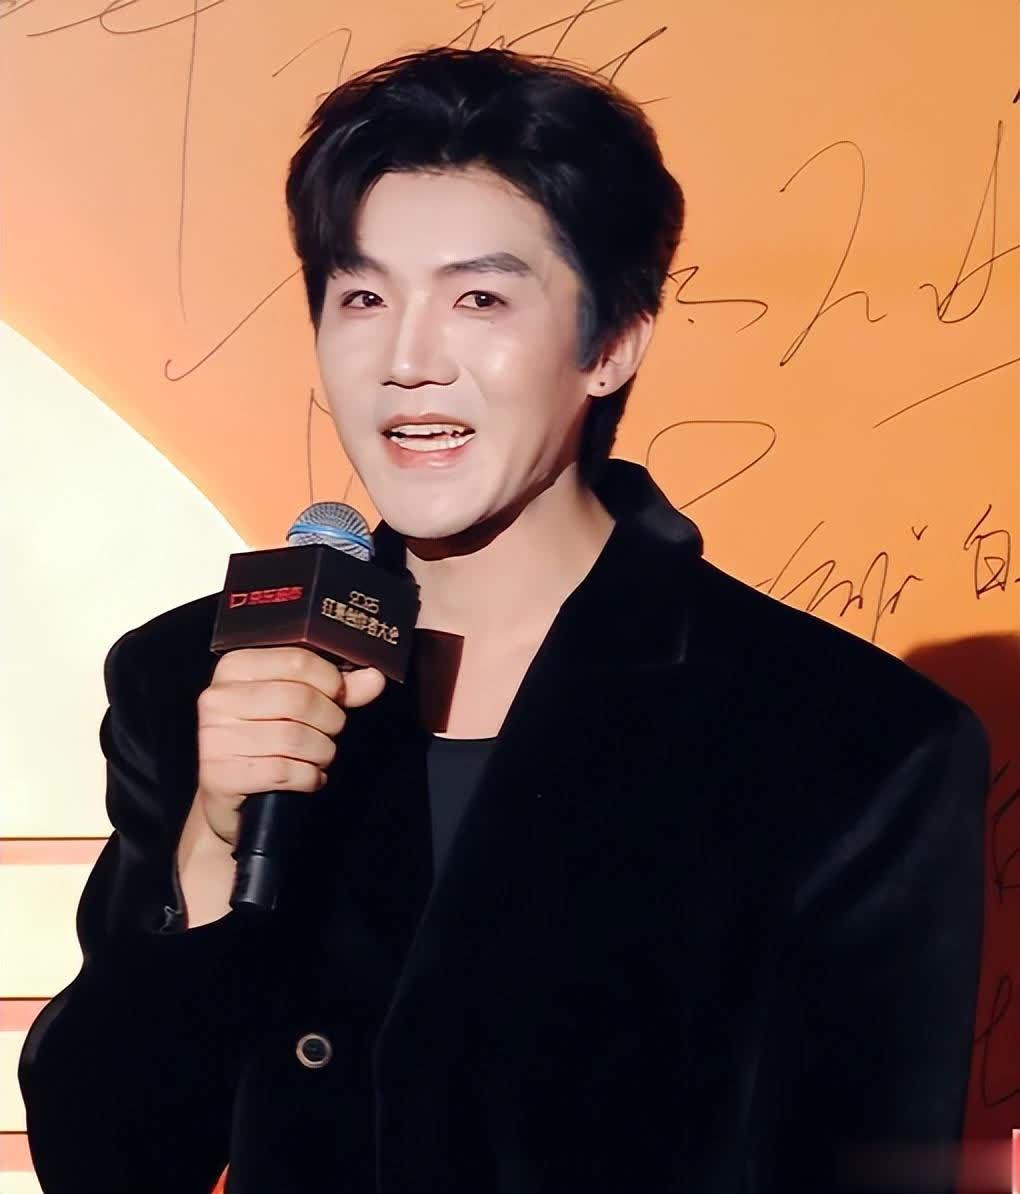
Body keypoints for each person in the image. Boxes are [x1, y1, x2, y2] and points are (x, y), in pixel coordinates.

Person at [19, 46, 988, 1194]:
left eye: (479, 298)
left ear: (612, 342)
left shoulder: (847, 744)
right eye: (363, 297)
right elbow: (104, 1161)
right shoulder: (196, 675)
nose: (407, 361)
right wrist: (212, 846)